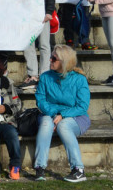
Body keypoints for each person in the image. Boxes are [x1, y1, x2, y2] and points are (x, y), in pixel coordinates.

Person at [33, 45, 91, 182]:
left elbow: (82, 106)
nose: (50, 60)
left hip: (77, 116)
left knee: (63, 125)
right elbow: (40, 100)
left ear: (64, 62)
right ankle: (39, 168)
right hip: (50, 114)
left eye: (54, 58)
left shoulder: (80, 79)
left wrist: (63, 115)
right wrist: (55, 114)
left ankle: (78, 169)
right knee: (46, 123)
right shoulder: (46, 77)